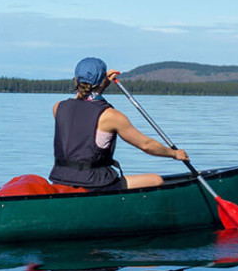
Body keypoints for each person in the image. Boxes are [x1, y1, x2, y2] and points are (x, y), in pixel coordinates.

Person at [50, 57, 187, 191]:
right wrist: (174, 154)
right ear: (103, 81)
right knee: (156, 180)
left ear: (75, 80)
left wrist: (102, 84)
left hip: (60, 178)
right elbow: (146, 145)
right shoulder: (110, 116)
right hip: (95, 183)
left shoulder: (58, 108)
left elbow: (82, 115)